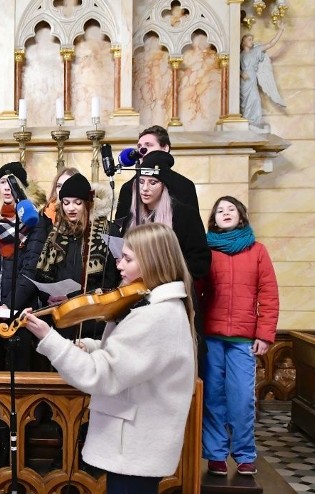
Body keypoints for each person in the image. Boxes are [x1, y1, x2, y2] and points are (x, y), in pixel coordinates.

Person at [22, 222, 197, 494]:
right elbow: (129, 360)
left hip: (135, 448)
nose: (119, 264)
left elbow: (100, 375)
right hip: (136, 444)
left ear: (151, 263)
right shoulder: (156, 307)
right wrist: (89, 344)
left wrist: (49, 339)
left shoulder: (157, 316)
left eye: (127, 259)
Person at [201, 196, 278, 476]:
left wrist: (265, 334)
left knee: (242, 398)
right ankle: (216, 454)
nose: (225, 213)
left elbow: (268, 295)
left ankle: (245, 453)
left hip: (244, 339)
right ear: (214, 219)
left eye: (230, 209)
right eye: (219, 210)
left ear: (241, 216)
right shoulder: (206, 250)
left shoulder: (258, 251)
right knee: (212, 398)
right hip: (211, 335)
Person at [0, 162, 47, 371]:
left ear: (23, 187)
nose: (7, 187)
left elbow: (31, 269)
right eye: (3, 182)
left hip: (20, 309)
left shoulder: (35, 222)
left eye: (13, 182)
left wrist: (9, 304)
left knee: (20, 368)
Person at [35, 171, 121, 339]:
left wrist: (79, 298)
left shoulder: (109, 231)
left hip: (94, 317)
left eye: (77, 202)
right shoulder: (56, 232)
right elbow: (44, 275)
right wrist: (48, 297)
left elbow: (113, 277)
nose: (71, 208)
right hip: (63, 316)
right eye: (66, 203)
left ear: (87, 203)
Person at [117, 150, 211, 283]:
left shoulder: (185, 215)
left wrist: (169, 275)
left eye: (153, 183)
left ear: (164, 186)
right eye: (141, 181)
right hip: (136, 289)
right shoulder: (132, 216)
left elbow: (200, 261)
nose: (144, 188)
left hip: (171, 287)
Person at [113, 125, 199, 221]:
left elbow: (193, 226)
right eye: (139, 146)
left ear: (165, 148)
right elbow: (120, 227)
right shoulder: (128, 187)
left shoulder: (185, 185)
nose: (142, 151)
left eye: (148, 145)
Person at [240, 23, 286, 130]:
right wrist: (241, 73)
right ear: (243, 42)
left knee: (256, 99)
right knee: (245, 102)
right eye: (249, 39)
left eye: (252, 39)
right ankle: (246, 119)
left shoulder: (256, 51)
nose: (251, 41)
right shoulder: (239, 55)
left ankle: (254, 121)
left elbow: (271, 44)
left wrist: (280, 30)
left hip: (252, 79)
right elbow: (233, 67)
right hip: (244, 82)